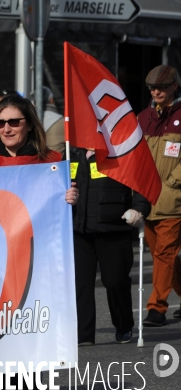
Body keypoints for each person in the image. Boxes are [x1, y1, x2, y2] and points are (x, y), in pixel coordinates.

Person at [0, 94, 77, 390]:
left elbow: (58, 216)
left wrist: (69, 198)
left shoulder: (52, 162)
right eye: (0, 123)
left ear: (29, 124)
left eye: (14, 121)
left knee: (30, 346)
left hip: (35, 268)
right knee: (0, 351)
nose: (7, 128)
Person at [71, 147, 151, 346]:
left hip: (113, 227)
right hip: (78, 229)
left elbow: (141, 179)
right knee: (80, 284)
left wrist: (139, 208)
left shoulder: (120, 150)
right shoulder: (70, 152)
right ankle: (84, 334)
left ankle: (124, 326)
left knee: (115, 281)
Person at [138, 64, 181, 326]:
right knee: (163, 256)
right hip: (147, 201)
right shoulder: (143, 118)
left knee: (164, 254)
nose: (156, 91)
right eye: (153, 87)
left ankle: (156, 308)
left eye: (162, 87)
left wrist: (173, 184)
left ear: (175, 86)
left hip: (173, 202)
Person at [34, 86, 65, 156]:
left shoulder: (28, 121)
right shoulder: (62, 122)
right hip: (57, 165)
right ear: (51, 100)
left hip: (32, 165)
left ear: (35, 103)